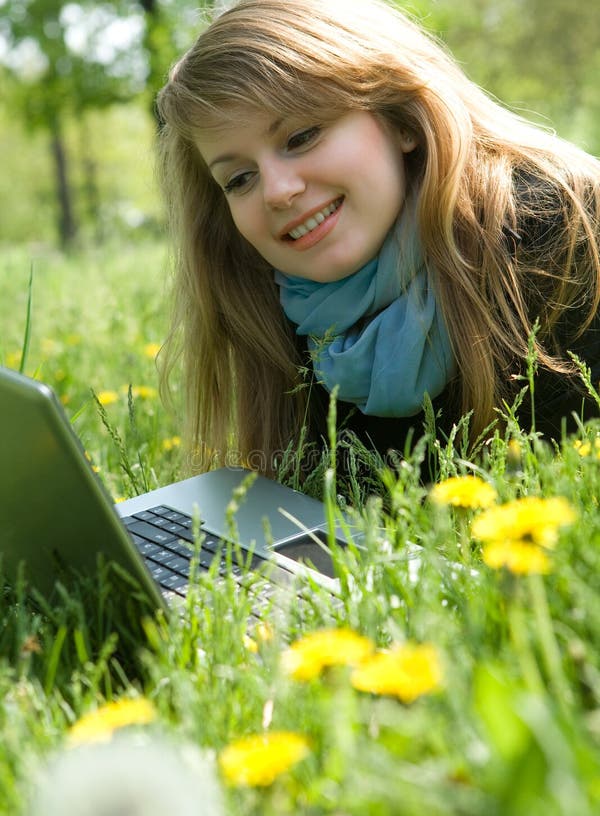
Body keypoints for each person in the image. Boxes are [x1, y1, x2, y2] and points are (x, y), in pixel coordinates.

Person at [155, 0, 600, 478]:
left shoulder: (561, 229)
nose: (278, 192)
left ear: (401, 121)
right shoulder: (279, 316)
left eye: (302, 136)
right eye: (240, 179)